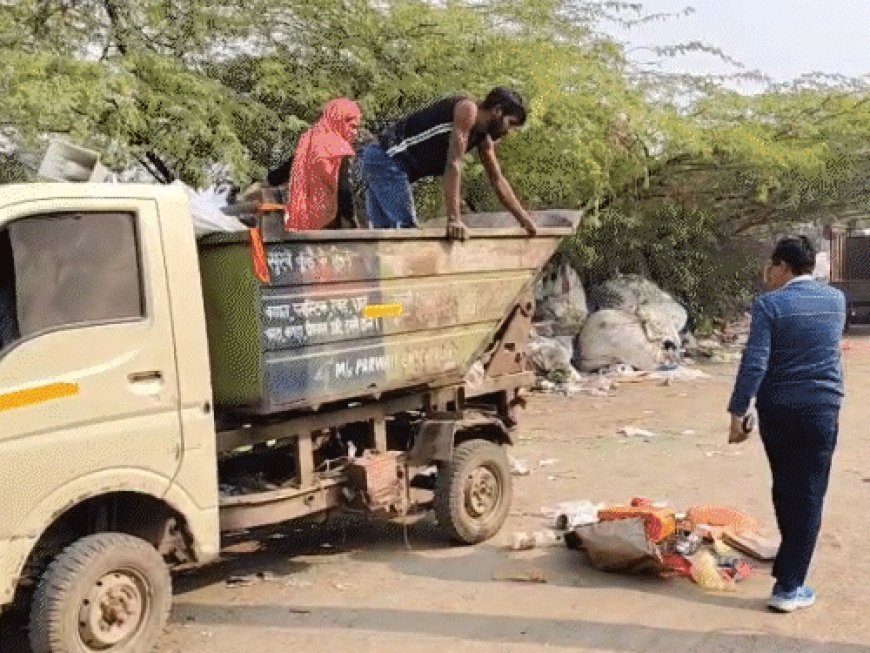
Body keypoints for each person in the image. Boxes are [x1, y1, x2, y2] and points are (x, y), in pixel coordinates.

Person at [727, 236, 846, 613]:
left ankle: (789, 577)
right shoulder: (836, 300)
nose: (768, 274)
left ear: (781, 267)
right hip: (821, 409)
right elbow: (826, 352)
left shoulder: (770, 305)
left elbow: (756, 361)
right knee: (808, 493)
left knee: (785, 486)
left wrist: (737, 412)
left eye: (770, 267)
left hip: (778, 410)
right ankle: (789, 584)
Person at [359, 87, 538, 239]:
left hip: (383, 162)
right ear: (497, 111)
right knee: (405, 232)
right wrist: (454, 219)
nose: (508, 131)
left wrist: (524, 220)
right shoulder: (467, 110)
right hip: (385, 159)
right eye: (510, 123)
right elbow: (453, 164)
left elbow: (497, 180)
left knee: (382, 236)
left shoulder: (483, 139)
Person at [282, 98, 362, 230]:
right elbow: (343, 189)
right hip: (330, 221)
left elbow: (285, 169)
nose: (355, 132)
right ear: (338, 121)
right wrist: (351, 221)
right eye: (352, 126)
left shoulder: (308, 140)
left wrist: (267, 180)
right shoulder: (338, 148)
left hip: (304, 221)